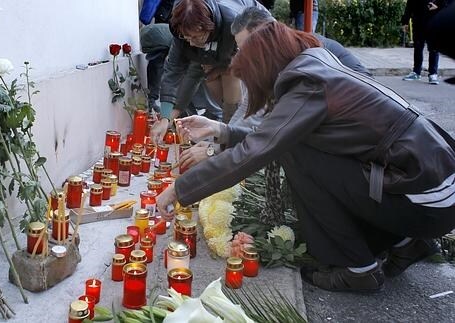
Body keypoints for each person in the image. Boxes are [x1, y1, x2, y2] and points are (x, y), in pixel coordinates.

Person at [157, 21, 455, 292]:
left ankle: (357, 269)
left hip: (426, 197)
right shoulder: (315, 65)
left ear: (265, 65)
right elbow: (273, 137)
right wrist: (221, 130)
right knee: (298, 148)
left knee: (297, 155)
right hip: (433, 186)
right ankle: (406, 242)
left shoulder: (306, 84)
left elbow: (261, 148)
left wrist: (179, 189)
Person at [179, 6, 372, 170]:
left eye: (248, 46)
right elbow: (249, 107)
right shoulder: (271, 56)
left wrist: (216, 149)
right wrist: (219, 136)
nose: (244, 55)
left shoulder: (300, 58)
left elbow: (272, 132)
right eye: (240, 49)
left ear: (267, 34)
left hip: (357, 136)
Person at [149, 0, 267, 144]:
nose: (191, 43)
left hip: (248, 48)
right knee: (207, 72)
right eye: (187, 38)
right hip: (220, 52)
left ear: (209, 26)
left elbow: (257, 80)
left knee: (230, 74)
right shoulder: (184, 31)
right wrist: (165, 118)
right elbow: (174, 71)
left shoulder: (235, 22)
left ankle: (229, 135)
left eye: (196, 37)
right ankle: (225, 129)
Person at [140, 23, 221, 118]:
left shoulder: (191, 47)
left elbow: (191, 78)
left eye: (162, 55)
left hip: (205, 72)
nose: (161, 60)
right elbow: (157, 74)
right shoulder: (161, 54)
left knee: (193, 85)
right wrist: (152, 100)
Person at [401, 0, 446, 84]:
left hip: (434, 20)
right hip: (418, 21)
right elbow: (410, 5)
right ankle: (416, 72)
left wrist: (438, 5)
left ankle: (433, 74)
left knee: (434, 48)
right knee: (418, 47)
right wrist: (405, 21)